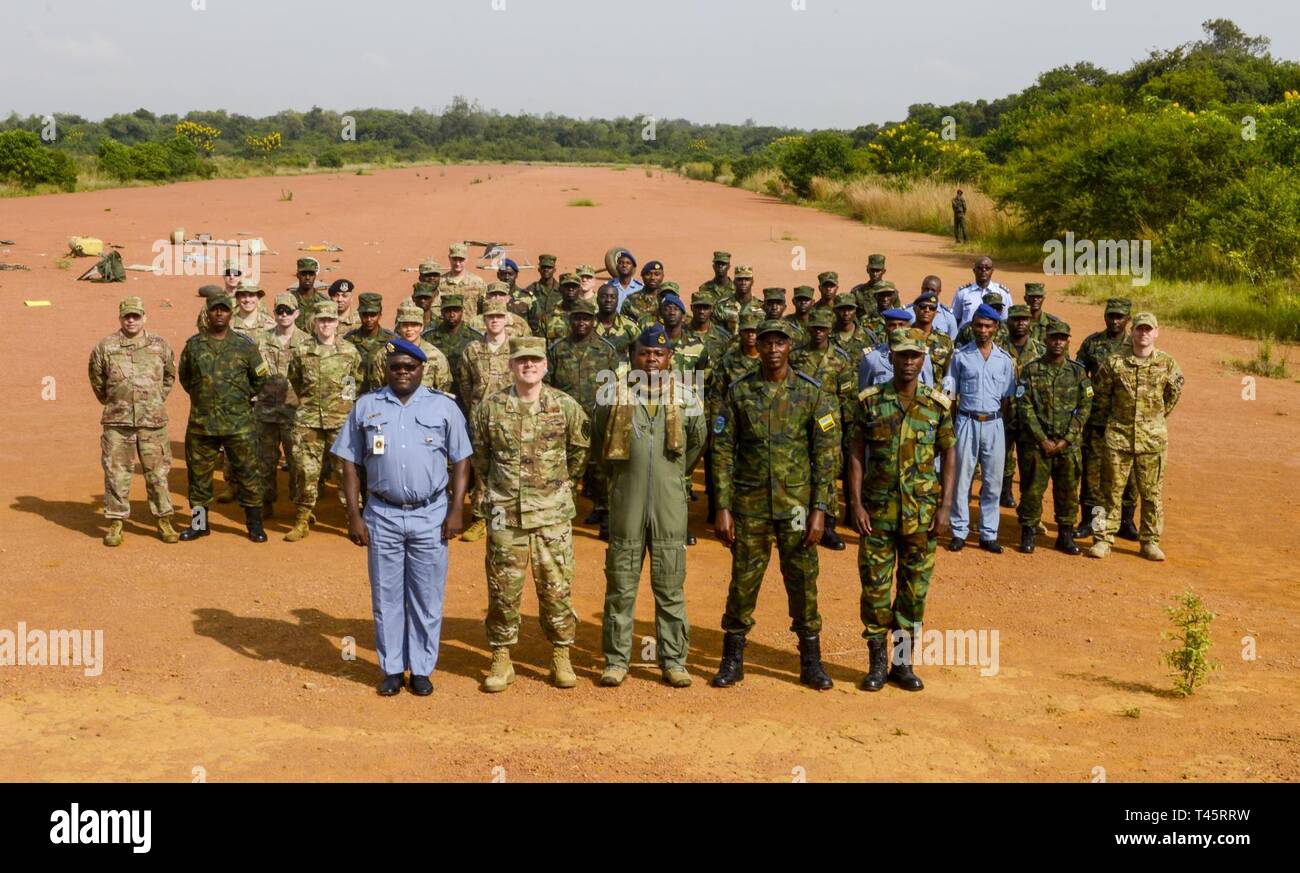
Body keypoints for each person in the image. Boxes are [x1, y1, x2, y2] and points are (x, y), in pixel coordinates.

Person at [332, 339, 472, 696]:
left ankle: (422, 668)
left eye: (410, 366)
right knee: (387, 597)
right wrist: (354, 514)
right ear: (386, 369)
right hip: (382, 514)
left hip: (431, 514)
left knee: (426, 596)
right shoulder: (366, 406)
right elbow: (349, 462)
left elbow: (461, 461)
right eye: (397, 367)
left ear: (422, 369)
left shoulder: (444, 407)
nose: (403, 372)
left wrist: (457, 509)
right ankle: (392, 668)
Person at [710, 320, 840, 690]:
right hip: (750, 505)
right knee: (742, 584)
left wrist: (820, 509)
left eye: (779, 342)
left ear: (789, 347)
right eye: (766, 342)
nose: (771, 349)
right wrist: (723, 506)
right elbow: (721, 451)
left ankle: (810, 662)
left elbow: (827, 454)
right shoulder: (740, 391)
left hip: (797, 508)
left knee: (802, 583)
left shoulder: (811, 393)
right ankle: (732, 659)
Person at [470, 336, 590, 692]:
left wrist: (555, 488)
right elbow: (481, 456)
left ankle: (561, 654)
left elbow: (579, 454)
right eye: (522, 360)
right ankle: (502, 656)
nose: (528, 366)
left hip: (552, 514)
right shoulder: (490, 408)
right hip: (504, 513)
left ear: (545, 365)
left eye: (535, 360)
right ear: (511, 365)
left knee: (557, 588)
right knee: (502, 588)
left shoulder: (565, 406)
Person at [593, 325, 706, 688]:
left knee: (670, 585)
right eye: (645, 353)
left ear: (669, 358)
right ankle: (616, 660)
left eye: (659, 354)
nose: (652, 360)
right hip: (626, 498)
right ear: (633, 356)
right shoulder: (613, 396)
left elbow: (695, 445)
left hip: (670, 502)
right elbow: (600, 443)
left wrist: (671, 477)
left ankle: (673, 660)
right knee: (621, 585)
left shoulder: (688, 398)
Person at [847, 328, 956, 691]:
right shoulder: (870, 402)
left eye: (914, 355)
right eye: (902, 355)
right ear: (890, 357)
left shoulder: (935, 405)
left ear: (923, 359)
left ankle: (903, 665)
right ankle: (877, 665)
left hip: (921, 517)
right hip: (876, 514)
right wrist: (856, 503)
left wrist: (945, 508)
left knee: (913, 591)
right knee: (875, 592)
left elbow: (950, 454)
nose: (908, 362)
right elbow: (856, 454)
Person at [1088, 313, 1184, 561]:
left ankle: (1150, 541)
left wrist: (1154, 421)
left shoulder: (1168, 363)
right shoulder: (1114, 362)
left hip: (1152, 441)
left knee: (1152, 494)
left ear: (1156, 332)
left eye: (1148, 329)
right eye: (1139, 329)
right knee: (1109, 491)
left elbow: (1172, 396)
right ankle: (1102, 538)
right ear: (1132, 331)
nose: (1143, 333)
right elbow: (1101, 396)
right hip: (1117, 438)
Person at [177, 293, 270, 542]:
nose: (219, 314)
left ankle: (254, 525)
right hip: (202, 424)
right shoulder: (194, 346)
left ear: (231, 313)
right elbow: (185, 378)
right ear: (207, 313)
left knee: (249, 474)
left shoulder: (245, 346)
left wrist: (240, 398)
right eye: (214, 310)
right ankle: (199, 524)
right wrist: (205, 399)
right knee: (198, 477)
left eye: (224, 310)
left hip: (239, 424)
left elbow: (260, 379)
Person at [89, 296, 179, 546]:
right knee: (116, 472)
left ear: (144, 318)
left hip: (153, 422)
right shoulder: (105, 347)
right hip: (118, 423)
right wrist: (116, 402)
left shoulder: (160, 346)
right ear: (120, 318)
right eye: (127, 316)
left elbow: (170, 375)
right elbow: (97, 378)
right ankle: (116, 521)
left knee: (158, 473)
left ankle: (163, 519)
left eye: (136, 316)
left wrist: (154, 400)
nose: (131, 320)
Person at [283, 301, 363, 541]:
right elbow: (295, 379)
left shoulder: (349, 352)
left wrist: (344, 408)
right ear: (315, 322)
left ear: (337, 322)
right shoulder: (302, 350)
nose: (326, 324)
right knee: (305, 472)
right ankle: (303, 519)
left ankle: (353, 518)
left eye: (331, 320)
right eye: (322, 320)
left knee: (345, 472)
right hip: (308, 422)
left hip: (340, 422)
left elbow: (355, 382)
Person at [1015, 321, 1091, 555]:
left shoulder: (1078, 372)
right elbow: (1023, 405)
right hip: (1037, 444)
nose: (1058, 342)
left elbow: (1086, 405)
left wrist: (1067, 439)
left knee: (1068, 490)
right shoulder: (1031, 369)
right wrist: (1041, 439)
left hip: (1067, 445)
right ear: (1045, 340)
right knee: (1032, 490)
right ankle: (1028, 532)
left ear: (1068, 341)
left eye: (1062, 338)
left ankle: (1065, 535)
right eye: (1053, 338)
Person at [546, 298, 619, 538]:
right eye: (577, 317)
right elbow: (548, 385)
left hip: (597, 420)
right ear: (570, 320)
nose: (581, 322)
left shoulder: (606, 350)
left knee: (600, 470)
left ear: (593, 321)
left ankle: (606, 514)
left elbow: (616, 387)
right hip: (564, 422)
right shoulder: (557, 350)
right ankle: (560, 515)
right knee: (564, 469)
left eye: (586, 318)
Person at [946, 303, 1016, 553]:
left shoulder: (1005, 361)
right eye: (978, 325)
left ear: (996, 327)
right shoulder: (960, 356)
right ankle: (959, 531)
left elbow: (1007, 398)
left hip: (994, 423)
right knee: (961, 480)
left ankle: (988, 533)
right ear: (972, 326)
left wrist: (1001, 426)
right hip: (966, 421)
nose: (983, 330)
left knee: (993, 481)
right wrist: (953, 427)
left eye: (988, 326)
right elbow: (951, 396)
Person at [791, 308, 855, 551]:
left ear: (829, 330)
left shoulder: (840, 359)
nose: (818, 332)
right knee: (799, 470)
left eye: (823, 328)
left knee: (827, 472)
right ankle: (798, 524)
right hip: (800, 422)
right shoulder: (796, 357)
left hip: (830, 425)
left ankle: (828, 526)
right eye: (814, 328)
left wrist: (847, 429)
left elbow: (847, 397)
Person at [1075, 297, 1137, 539]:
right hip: (1097, 421)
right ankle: (1091, 521)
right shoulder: (1093, 343)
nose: (1114, 320)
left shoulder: (1135, 344)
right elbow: (1080, 374)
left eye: (1119, 316)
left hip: (1126, 422)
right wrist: (1090, 396)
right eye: (1111, 315)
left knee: (1129, 475)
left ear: (1128, 319)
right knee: (1093, 473)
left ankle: (1125, 521)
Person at [458, 300, 514, 543]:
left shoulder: (515, 348)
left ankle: (507, 517)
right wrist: (476, 406)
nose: (494, 320)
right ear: (484, 320)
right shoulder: (472, 349)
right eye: (490, 316)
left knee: (509, 466)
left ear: (505, 320)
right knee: (481, 469)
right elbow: (464, 382)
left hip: (510, 417)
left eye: (499, 316)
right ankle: (480, 517)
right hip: (480, 417)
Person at [253, 294, 310, 518]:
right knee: (265, 461)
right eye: (280, 311)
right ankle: (266, 502)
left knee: (297, 461)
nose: (283, 315)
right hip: (265, 411)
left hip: (294, 412)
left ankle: (299, 506)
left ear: (297, 313)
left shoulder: (306, 342)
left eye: (288, 311)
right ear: (274, 313)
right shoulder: (261, 340)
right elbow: (251, 372)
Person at [1000, 304, 1046, 508]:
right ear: (1008, 322)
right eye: (1016, 319)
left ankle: (1029, 508)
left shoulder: (1040, 350)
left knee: (1030, 464)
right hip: (1003, 414)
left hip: (1031, 419)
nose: (1020, 323)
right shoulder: (996, 348)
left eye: (1024, 319)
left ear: (1030, 322)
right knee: (1001, 459)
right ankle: (1003, 493)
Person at [370, 303, 453, 393]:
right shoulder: (384, 354)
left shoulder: (436, 356)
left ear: (422, 327)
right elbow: (377, 388)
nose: (409, 329)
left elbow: (443, 390)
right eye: (405, 325)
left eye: (414, 325)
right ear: (399, 328)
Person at [421, 294, 483, 405]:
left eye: (456, 310)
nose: (452, 314)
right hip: (437, 395)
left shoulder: (475, 337)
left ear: (462, 311)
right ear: (441, 312)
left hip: (467, 396)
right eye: (447, 311)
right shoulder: (428, 337)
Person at [858, 309, 936, 389]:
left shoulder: (921, 356)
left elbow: (928, 388)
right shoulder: (872, 358)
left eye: (901, 325)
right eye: (892, 325)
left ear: (909, 328)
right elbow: (864, 390)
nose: (897, 329)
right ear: (885, 328)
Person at [344, 293, 396, 395]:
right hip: (357, 398)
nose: (369, 319)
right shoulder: (349, 340)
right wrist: (349, 398)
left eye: (373, 315)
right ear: (359, 314)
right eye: (365, 315)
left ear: (380, 314)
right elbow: (346, 374)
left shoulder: (391, 340)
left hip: (382, 397)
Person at [951, 256, 1012, 327]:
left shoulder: (1003, 293)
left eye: (987, 268)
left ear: (992, 271)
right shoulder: (963, 292)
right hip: (967, 336)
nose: (984, 270)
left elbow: (1007, 319)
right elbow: (955, 319)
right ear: (974, 271)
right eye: (980, 268)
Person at [593, 281, 639, 358]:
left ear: (617, 300)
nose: (608, 300)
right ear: (597, 300)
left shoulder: (630, 326)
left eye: (613, 297)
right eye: (604, 296)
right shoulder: (587, 326)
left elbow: (638, 354)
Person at [441, 242, 486, 314]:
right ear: (449, 258)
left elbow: (485, 307)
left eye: (461, 260)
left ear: (466, 259)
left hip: (471, 324)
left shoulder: (478, 282)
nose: (457, 263)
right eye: (454, 259)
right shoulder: (440, 282)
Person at [712, 264, 755, 334]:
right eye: (740, 280)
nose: (743, 283)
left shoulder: (760, 306)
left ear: (752, 282)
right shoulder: (721, 306)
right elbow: (716, 332)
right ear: (734, 282)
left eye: (747, 279)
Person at [620, 260, 664, 326]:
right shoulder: (630, 300)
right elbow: (623, 325)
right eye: (648, 274)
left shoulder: (668, 298)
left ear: (662, 276)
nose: (652, 278)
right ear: (642, 277)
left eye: (657, 274)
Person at [290, 257, 328, 332]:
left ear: (315, 276)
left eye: (311, 274)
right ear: (297, 275)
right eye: (303, 274)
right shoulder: (289, 300)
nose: (307, 277)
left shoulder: (323, 301)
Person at [523, 253, 559, 331]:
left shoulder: (562, 290)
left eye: (549, 267)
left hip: (557, 333)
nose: (546, 270)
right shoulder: (530, 290)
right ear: (539, 269)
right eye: (543, 267)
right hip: (536, 333)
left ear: (554, 270)